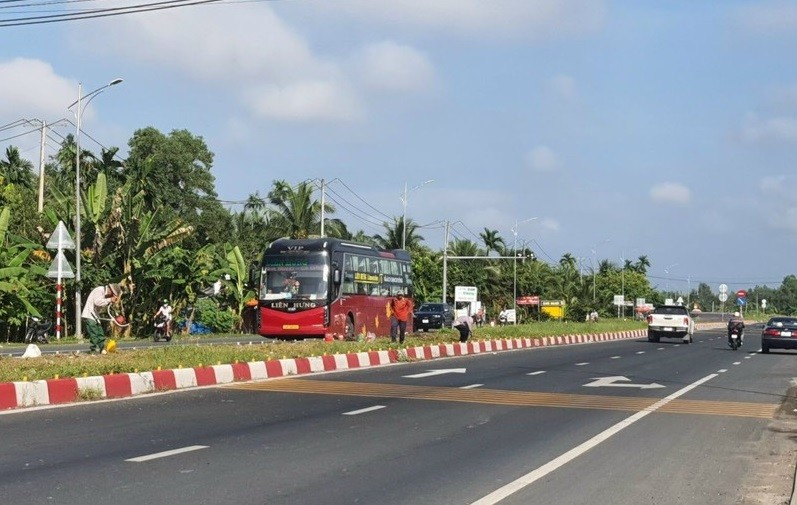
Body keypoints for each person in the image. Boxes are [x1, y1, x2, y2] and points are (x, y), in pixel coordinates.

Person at [81, 283, 122, 353]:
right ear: (110, 291)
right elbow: (97, 302)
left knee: (100, 333)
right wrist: (110, 299)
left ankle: (102, 349)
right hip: (89, 314)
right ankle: (93, 350)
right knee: (94, 334)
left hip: (95, 315)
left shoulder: (104, 294)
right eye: (112, 294)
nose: (110, 296)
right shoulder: (99, 290)